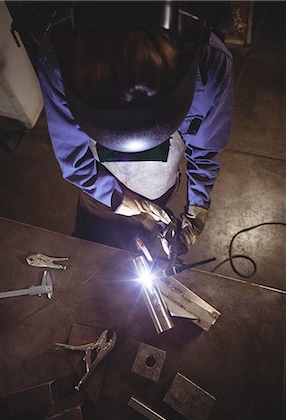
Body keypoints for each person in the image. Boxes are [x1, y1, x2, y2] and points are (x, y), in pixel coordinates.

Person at [37, 1, 233, 258]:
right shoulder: (58, 61)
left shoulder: (210, 67)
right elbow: (73, 158)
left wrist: (197, 208)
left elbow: (205, 151)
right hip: (98, 201)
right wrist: (112, 196)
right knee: (90, 254)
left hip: (160, 192)